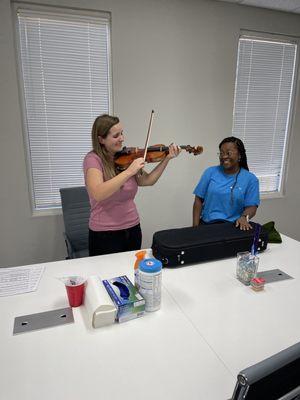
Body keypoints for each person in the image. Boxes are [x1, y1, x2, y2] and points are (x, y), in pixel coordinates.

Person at [83, 114, 180, 256]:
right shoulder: (93, 160)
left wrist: (167, 159)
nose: (122, 138)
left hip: (132, 228)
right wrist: (129, 171)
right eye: (116, 135)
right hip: (104, 234)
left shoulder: (126, 157)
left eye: (122, 133)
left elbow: (148, 180)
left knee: (131, 272)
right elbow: (98, 193)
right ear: (101, 139)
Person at [192, 136, 259, 231]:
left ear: (240, 155)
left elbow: (252, 206)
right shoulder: (210, 172)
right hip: (207, 225)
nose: (224, 156)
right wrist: (195, 229)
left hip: (233, 227)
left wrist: (244, 217)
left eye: (228, 153)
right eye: (221, 153)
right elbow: (198, 200)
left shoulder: (250, 179)